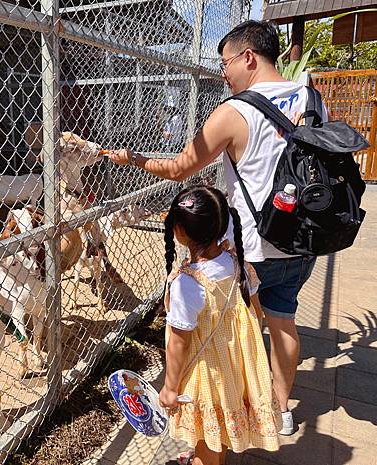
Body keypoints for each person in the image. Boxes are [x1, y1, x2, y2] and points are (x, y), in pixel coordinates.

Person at [108, 20, 328, 435]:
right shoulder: (313, 98)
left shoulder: (235, 111)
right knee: (284, 321)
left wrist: (135, 159)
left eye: (224, 62)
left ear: (248, 57)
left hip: (252, 247)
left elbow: (178, 168)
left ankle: (238, 409)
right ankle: (279, 410)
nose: (222, 72)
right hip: (304, 237)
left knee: (242, 328)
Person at [159, 185, 281, 465]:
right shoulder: (238, 263)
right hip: (235, 366)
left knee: (207, 441)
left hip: (207, 373)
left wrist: (170, 387)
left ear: (179, 230)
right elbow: (256, 314)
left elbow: (179, 341)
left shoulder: (187, 283)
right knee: (221, 429)